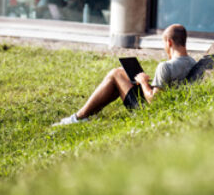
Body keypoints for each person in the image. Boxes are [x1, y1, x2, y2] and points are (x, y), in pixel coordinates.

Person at [53, 24, 196, 126]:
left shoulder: (165, 66)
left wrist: (144, 82)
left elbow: (155, 101)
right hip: (173, 107)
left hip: (150, 113)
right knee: (122, 73)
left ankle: (79, 117)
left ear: (169, 42)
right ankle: (84, 115)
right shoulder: (192, 62)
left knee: (115, 74)